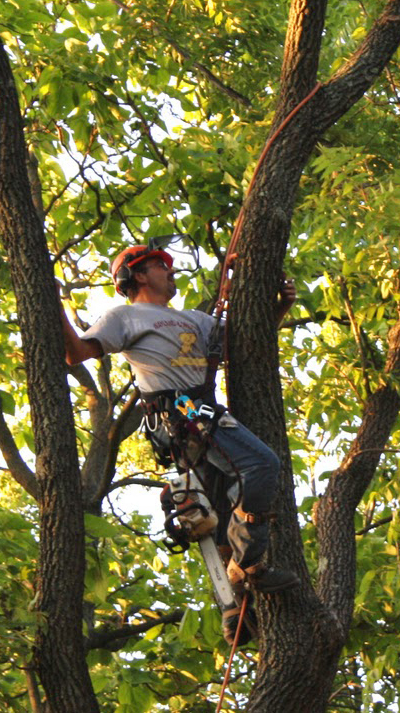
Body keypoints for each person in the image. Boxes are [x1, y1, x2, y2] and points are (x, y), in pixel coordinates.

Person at [59, 242, 299, 644]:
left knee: (217, 512)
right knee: (261, 465)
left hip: (200, 408)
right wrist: (54, 309)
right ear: (137, 275)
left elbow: (246, 342)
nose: (170, 271)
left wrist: (278, 307)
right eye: (160, 266)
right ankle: (251, 563)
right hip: (181, 411)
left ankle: (234, 606)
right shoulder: (125, 316)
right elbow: (78, 353)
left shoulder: (195, 320)